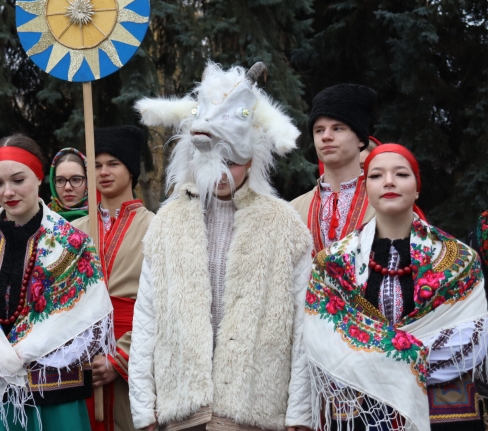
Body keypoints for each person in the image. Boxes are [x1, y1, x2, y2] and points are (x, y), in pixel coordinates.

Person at [130, 62, 314, 431]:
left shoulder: (283, 223)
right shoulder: (168, 222)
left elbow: (302, 324)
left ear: (252, 158)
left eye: (233, 161)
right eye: (214, 160)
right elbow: (146, 319)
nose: (224, 172)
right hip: (182, 409)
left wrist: (300, 412)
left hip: (254, 410)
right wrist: (143, 407)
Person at [293, 143, 488, 431]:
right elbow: (322, 335)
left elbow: (473, 332)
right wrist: (403, 357)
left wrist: (388, 360)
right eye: (375, 176)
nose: (388, 182)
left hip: (443, 411)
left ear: (417, 188)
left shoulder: (459, 260)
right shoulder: (333, 263)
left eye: (401, 174)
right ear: (366, 188)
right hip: (360, 409)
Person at [0, 133, 113, 431]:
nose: (8, 192)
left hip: (53, 396)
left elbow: (85, 317)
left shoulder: (72, 243)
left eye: (18, 180)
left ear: (40, 176)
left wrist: (27, 350)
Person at [72, 125, 154, 431]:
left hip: (137, 359)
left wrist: (120, 358)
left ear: (131, 170)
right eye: (95, 165)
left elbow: (166, 306)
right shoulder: (73, 232)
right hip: (79, 364)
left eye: (113, 164)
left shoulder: (158, 229)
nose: (103, 172)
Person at [291, 84, 378, 256]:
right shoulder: (293, 209)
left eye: (337, 128)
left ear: (361, 139)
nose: (326, 136)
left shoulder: (383, 202)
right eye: (319, 130)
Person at [47, 147, 89, 221]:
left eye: (76, 179)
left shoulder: (101, 220)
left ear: (88, 181)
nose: (67, 187)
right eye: (60, 180)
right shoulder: (43, 220)